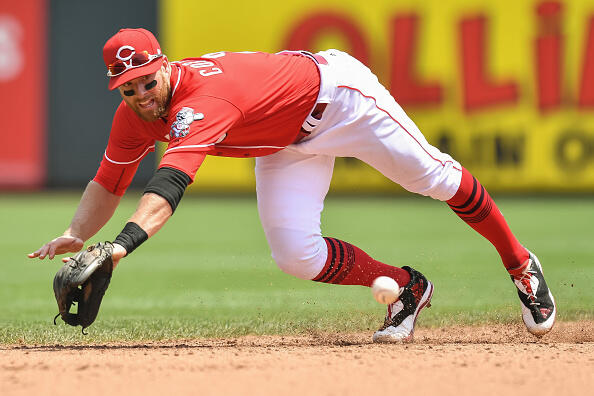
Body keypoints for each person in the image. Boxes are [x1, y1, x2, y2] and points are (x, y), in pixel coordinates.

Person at [28, 28, 556, 342]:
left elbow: (168, 188)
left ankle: (519, 264)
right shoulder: (135, 116)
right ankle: (411, 289)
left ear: (165, 66)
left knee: (435, 178)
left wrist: (120, 247)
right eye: (128, 88)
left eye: (148, 80)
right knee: (295, 256)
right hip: (281, 142)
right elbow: (108, 180)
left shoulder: (203, 101)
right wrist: (78, 231)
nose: (142, 94)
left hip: (339, 101)